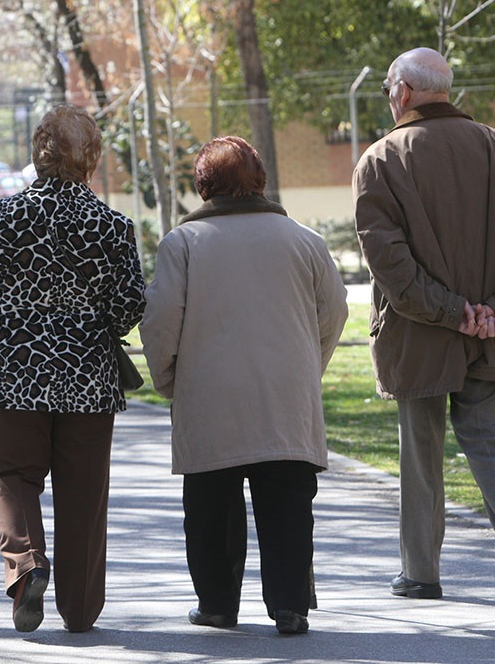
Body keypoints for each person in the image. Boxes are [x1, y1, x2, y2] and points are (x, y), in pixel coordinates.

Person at [352, 48, 495, 610]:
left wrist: (451, 311)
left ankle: (421, 573)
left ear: (402, 92)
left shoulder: (380, 160)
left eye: (389, 89)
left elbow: (388, 262)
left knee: (421, 452)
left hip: (419, 335)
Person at [140, 136, 348, 635]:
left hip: (210, 396)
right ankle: (290, 605)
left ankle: (217, 603)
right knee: (289, 506)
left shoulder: (183, 244)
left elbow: (160, 320)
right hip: (286, 396)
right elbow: (335, 311)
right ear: (259, 180)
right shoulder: (304, 240)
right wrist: (307, 366)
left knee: (211, 508)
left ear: (204, 185)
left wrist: (170, 380)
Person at [0, 104, 145, 633]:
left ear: (38, 153)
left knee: (10, 476)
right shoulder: (112, 225)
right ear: (92, 159)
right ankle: (81, 611)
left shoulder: (3, 216)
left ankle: (27, 565)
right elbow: (130, 304)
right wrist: (89, 320)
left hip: (11, 368)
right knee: (84, 491)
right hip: (87, 377)